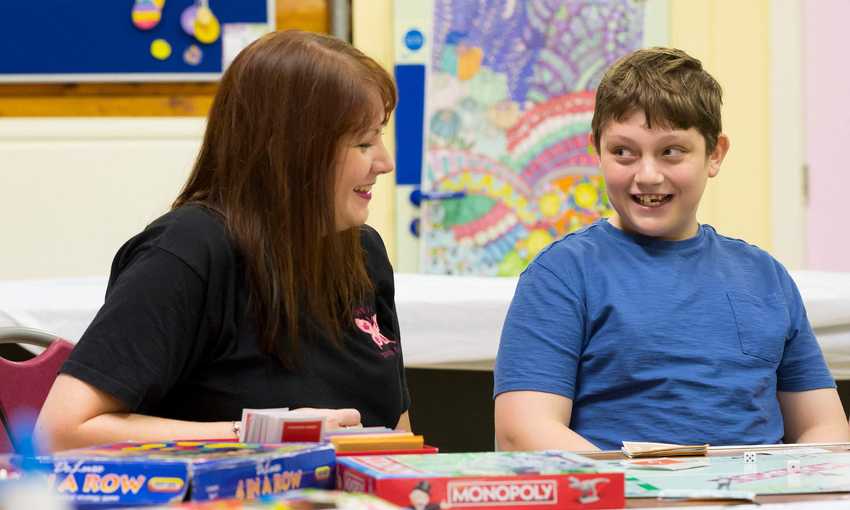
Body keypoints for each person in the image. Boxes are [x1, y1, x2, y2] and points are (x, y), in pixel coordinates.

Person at [35, 30, 409, 451]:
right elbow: (60, 432)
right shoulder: (188, 251)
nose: (385, 162)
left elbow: (398, 435)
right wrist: (263, 435)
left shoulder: (363, 253)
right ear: (291, 152)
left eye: (380, 135)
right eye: (363, 142)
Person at [493, 47, 849, 451]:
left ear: (714, 154)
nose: (647, 175)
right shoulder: (562, 274)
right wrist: (645, 490)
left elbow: (825, 430)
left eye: (671, 152)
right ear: (597, 151)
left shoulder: (766, 277)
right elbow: (522, 431)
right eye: (623, 152)